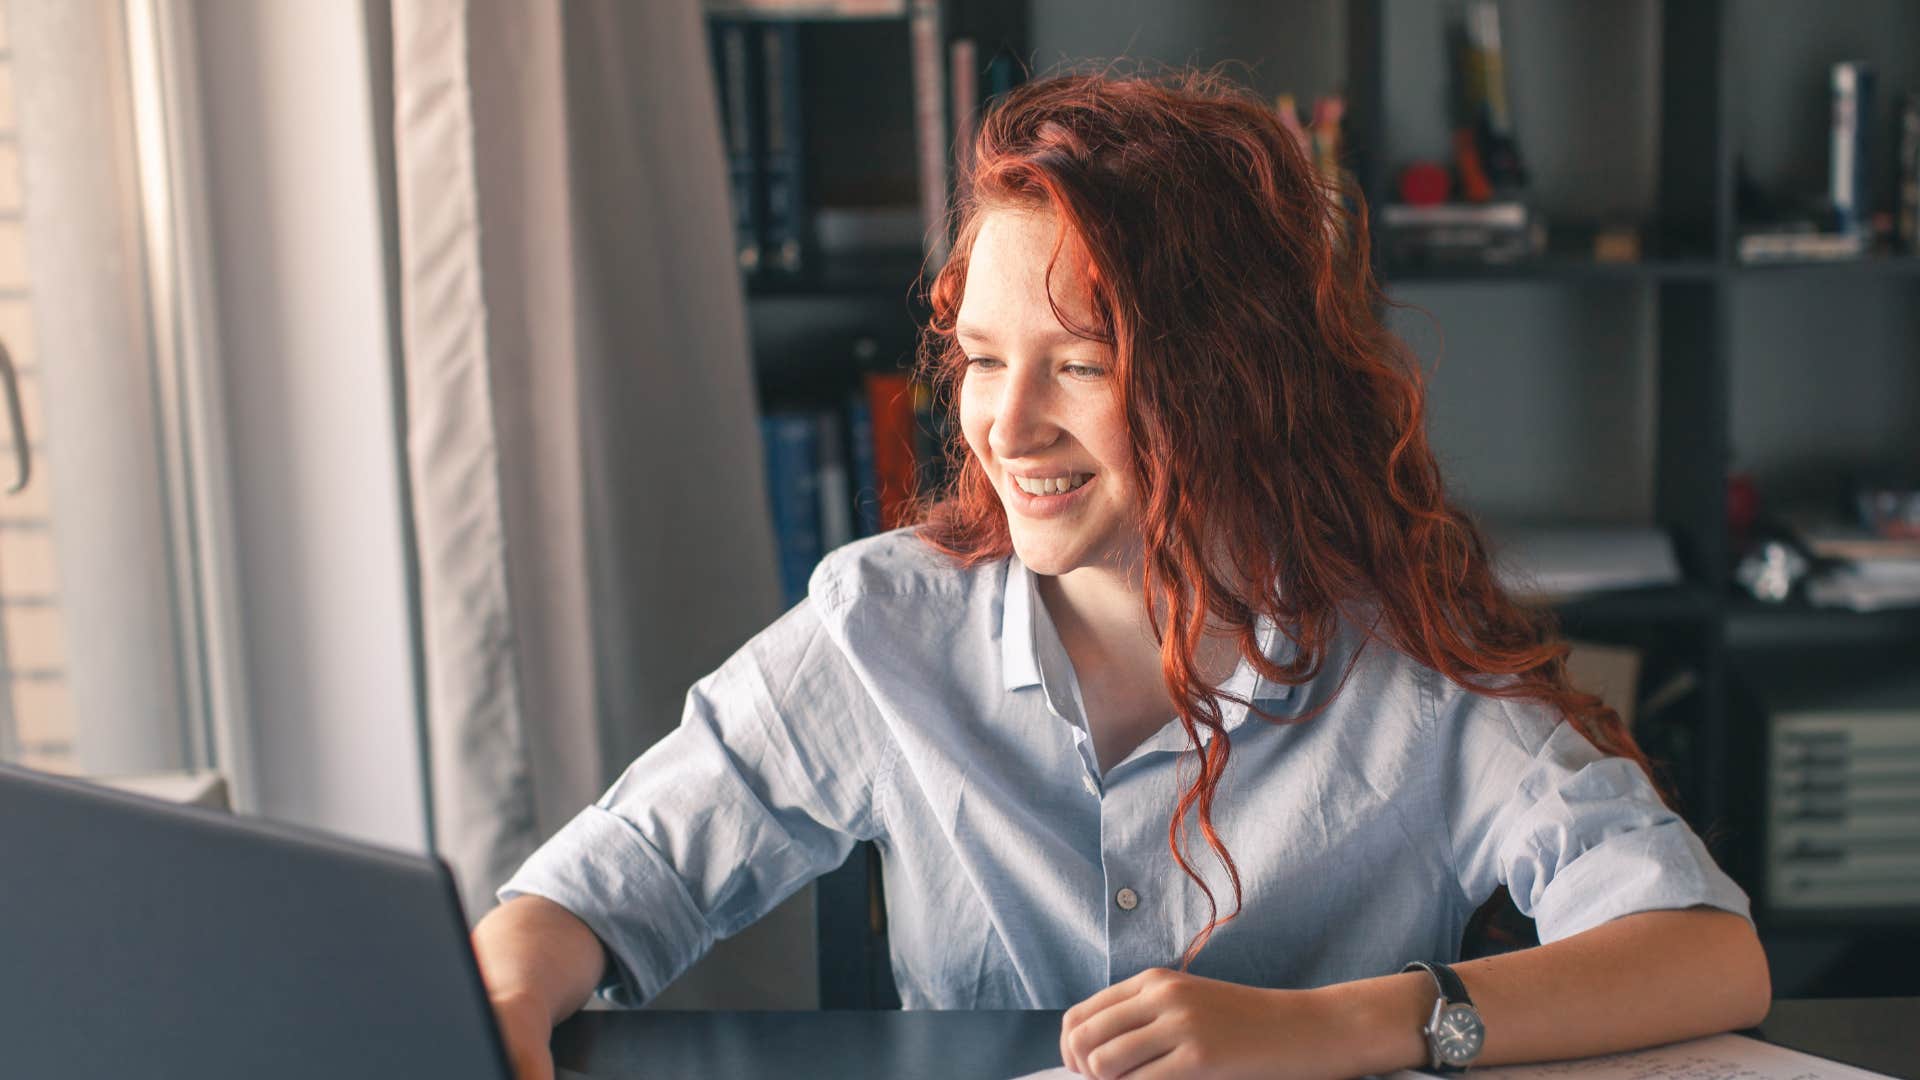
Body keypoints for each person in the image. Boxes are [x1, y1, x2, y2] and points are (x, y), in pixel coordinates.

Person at [471, 71, 1769, 1080]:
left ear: (1226, 377)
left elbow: (1709, 956)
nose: (1006, 423)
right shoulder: (881, 625)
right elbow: (594, 891)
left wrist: (1334, 1031)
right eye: (982, 358)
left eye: (1078, 364)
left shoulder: (1406, 659)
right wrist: (511, 990)